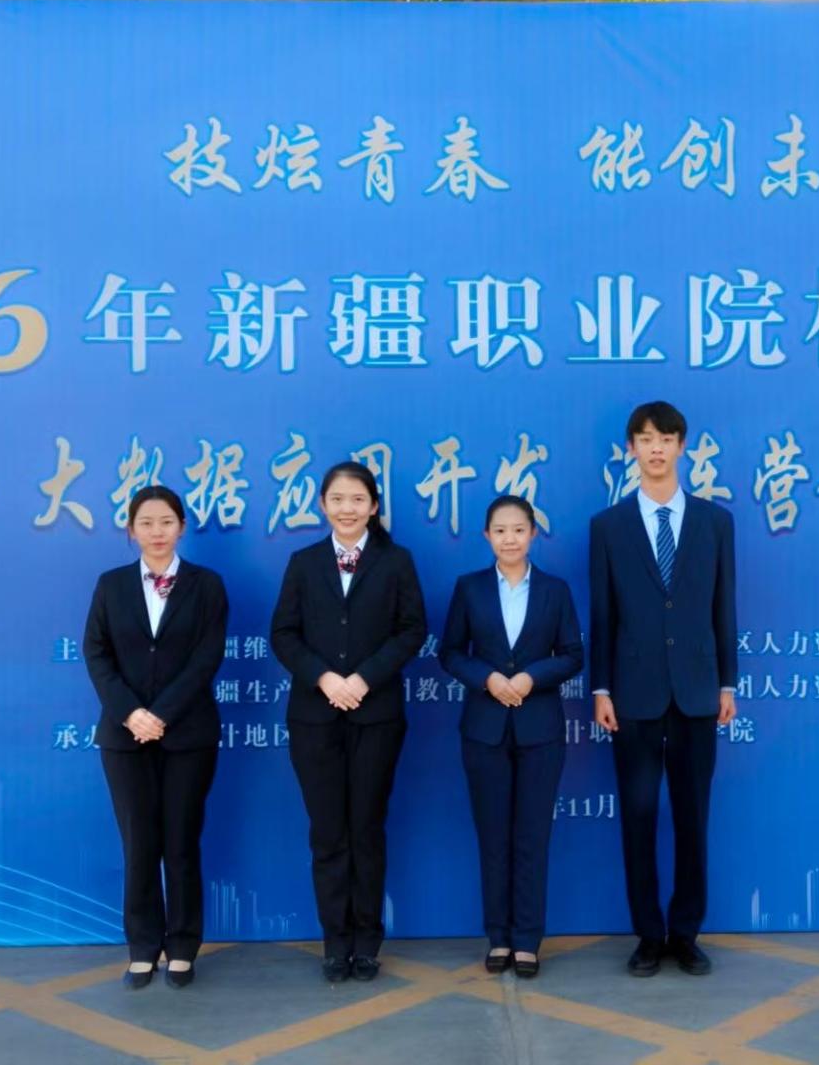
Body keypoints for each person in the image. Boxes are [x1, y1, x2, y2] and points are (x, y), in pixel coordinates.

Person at [588, 400, 738, 978]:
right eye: (646, 439)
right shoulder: (608, 526)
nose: (656, 448)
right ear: (631, 449)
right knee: (639, 816)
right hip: (633, 694)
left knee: (693, 818)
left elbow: (724, 608)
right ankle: (649, 936)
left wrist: (727, 682)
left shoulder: (714, 522)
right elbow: (603, 614)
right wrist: (601, 689)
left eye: (667, 438)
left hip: (698, 692)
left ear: (682, 446)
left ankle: (687, 933)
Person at [271, 461, 428, 983]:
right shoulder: (303, 563)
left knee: (366, 828)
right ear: (322, 505)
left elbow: (412, 630)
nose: (347, 508)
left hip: (376, 715)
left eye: (357, 499)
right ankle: (334, 943)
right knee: (327, 832)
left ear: (374, 506)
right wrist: (324, 678)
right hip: (314, 717)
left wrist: (363, 679)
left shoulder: (396, 561)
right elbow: (283, 634)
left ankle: (366, 942)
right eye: (337, 499)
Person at [82, 484, 228, 990]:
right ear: (131, 530)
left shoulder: (207, 585)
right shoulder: (111, 585)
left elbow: (207, 656)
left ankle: (183, 947)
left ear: (181, 527)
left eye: (166, 522)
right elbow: (96, 654)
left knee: (181, 841)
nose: (157, 531)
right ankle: (143, 947)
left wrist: (161, 714)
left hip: (188, 734)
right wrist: (131, 713)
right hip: (125, 738)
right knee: (139, 844)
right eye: (146, 523)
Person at [438, 495, 583, 979]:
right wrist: (487, 678)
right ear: (487, 536)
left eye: (518, 530)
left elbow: (573, 654)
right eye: (500, 531)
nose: (509, 539)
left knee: (532, 837)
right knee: (493, 836)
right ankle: (498, 936)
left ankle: (527, 939)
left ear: (533, 534)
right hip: (484, 729)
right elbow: (451, 652)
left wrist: (530, 678)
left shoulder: (555, 590)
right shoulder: (470, 587)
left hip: (540, 729)